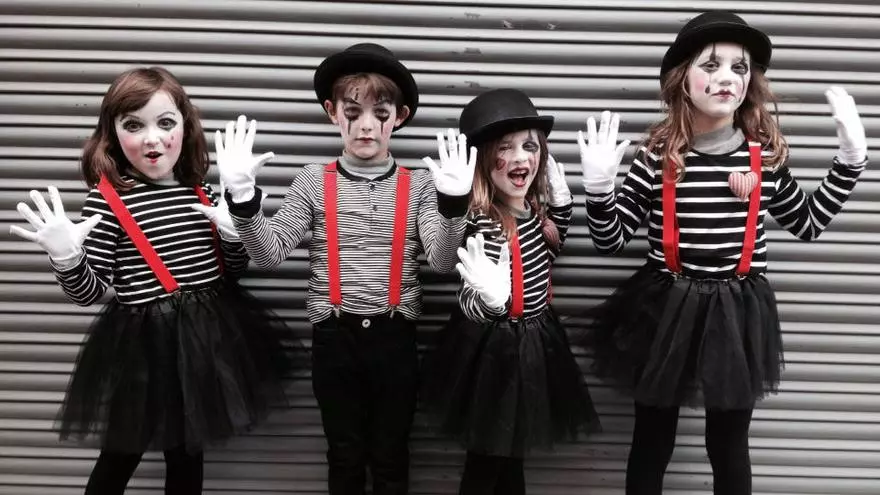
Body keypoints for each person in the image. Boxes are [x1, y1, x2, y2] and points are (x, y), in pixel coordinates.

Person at [577, 11, 868, 495]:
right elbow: (610, 240)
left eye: (739, 67)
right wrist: (599, 190)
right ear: (682, 79)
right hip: (663, 309)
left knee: (729, 445)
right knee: (652, 440)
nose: (727, 77)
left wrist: (850, 161)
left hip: (736, 314)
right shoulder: (658, 155)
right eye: (710, 65)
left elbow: (808, 222)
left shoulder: (764, 157)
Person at [8, 66, 292, 494]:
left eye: (165, 123)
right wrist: (67, 256)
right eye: (133, 125)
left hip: (206, 341)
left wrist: (233, 234)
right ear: (112, 133)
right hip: (144, 349)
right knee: (120, 453)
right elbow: (88, 292)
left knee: (189, 452)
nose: (152, 139)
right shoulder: (107, 201)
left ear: (185, 127)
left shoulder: (201, 190)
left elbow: (232, 270)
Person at [219, 43, 475, 494]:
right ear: (332, 112)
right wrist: (243, 202)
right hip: (334, 340)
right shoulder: (312, 180)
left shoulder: (418, 184)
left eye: (380, 113)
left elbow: (440, 261)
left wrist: (454, 207)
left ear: (399, 117)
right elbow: (269, 255)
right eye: (353, 112)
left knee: (392, 457)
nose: (366, 125)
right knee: (344, 456)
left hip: (395, 339)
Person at [421, 88, 601, 495]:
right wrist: (488, 300)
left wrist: (562, 207)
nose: (520, 158)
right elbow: (455, 274)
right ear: (483, 160)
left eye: (529, 146)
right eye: (505, 148)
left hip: (536, 343)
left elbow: (551, 248)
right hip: (492, 353)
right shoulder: (481, 221)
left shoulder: (534, 213)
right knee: (486, 462)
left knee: (512, 454)